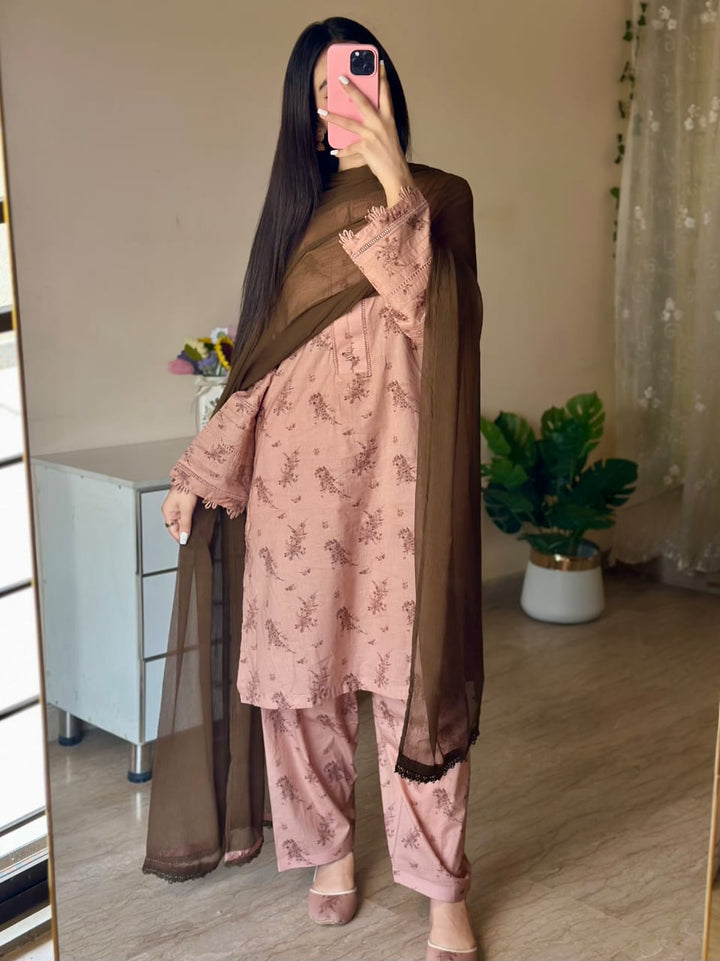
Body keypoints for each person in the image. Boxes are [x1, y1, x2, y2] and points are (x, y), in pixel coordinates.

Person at [158, 17, 482, 961]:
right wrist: (199, 472)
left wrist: (393, 182)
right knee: (301, 691)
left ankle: (443, 890)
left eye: (357, 81)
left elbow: (434, 322)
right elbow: (257, 373)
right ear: (304, 116)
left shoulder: (439, 198)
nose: (341, 103)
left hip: (397, 495)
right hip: (295, 500)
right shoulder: (291, 226)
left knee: (413, 687)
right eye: (322, 93)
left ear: (387, 90)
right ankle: (329, 849)